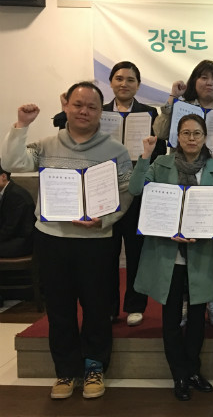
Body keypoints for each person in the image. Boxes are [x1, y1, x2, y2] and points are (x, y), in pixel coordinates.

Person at [1, 82, 133, 400]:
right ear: (66, 107)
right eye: (78, 105)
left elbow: (126, 192)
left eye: (91, 106)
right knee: (59, 308)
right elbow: (13, 163)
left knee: (97, 308)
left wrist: (106, 219)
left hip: (96, 240)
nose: (84, 111)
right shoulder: (46, 145)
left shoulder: (115, 150)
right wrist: (21, 125)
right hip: (52, 239)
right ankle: (65, 371)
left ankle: (94, 367)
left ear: (101, 112)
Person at [129, 114, 213, 401]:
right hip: (168, 252)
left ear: (205, 137)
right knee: (171, 317)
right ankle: (179, 374)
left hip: (201, 251)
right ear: (177, 137)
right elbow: (136, 189)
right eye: (186, 133)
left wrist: (202, 227)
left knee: (197, 318)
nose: (191, 138)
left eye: (197, 133)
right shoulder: (161, 164)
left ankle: (193, 370)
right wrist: (145, 156)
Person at [154, 59, 213, 327]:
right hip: (181, 184)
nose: (210, 83)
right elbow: (161, 132)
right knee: (182, 247)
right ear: (194, 81)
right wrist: (172, 99)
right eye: (204, 77)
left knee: (211, 246)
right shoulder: (182, 107)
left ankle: (211, 299)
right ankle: (187, 300)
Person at [104, 61, 167, 327]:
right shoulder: (100, 112)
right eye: (119, 78)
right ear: (111, 82)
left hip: (137, 190)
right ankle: (108, 307)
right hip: (105, 191)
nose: (124, 84)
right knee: (106, 253)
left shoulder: (149, 113)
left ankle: (135, 305)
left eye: (130, 80)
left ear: (138, 85)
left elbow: (160, 150)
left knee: (136, 251)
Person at [0, 161, 35, 258]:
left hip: (22, 241)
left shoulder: (16, 196)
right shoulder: (6, 190)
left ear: (3, 177)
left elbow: (10, 228)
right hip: (10, 236)